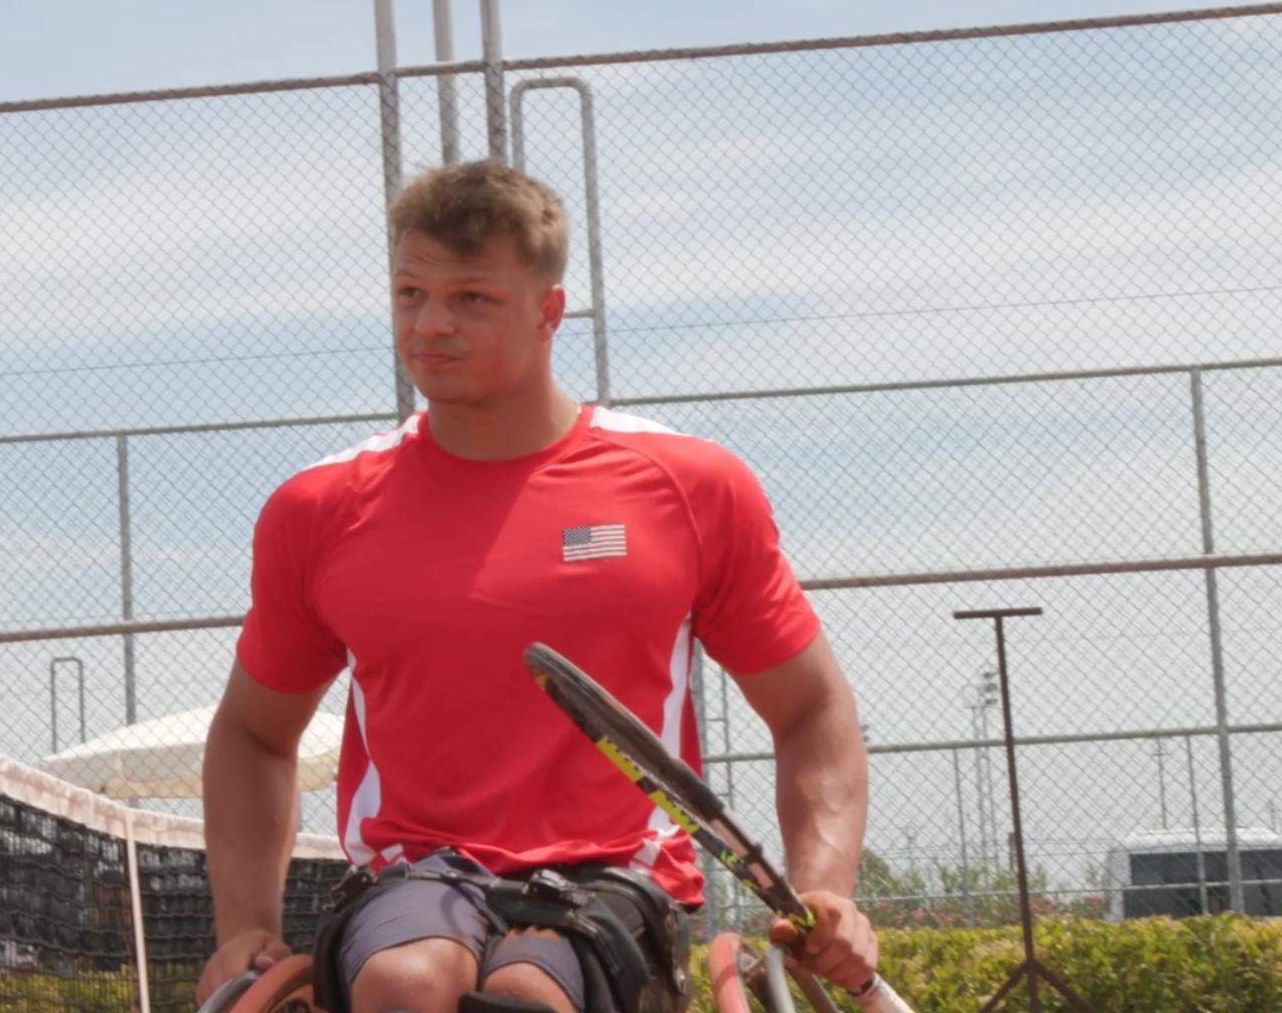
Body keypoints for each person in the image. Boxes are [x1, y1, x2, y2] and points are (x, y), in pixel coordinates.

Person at [197, 162, 879, 1013]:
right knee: (405, 984)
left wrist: (825, 887)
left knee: (530, 995)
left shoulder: (689, 486)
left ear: (549, 312)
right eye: (410, 293)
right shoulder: (320, 508)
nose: (430, 326)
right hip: (414, 875)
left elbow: (812, 709)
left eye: (471, 299)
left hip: (616, 879)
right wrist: (245, 926)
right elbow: (255, 734)